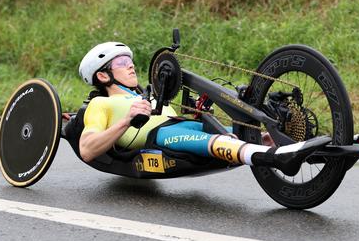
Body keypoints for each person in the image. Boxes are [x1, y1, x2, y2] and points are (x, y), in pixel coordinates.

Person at [77, 42, 327, 176]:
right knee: (219, 141)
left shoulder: (150, 96)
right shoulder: (101, 104)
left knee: (259, 136)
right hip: (159, 137)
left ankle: (329, 151)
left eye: (130, 61)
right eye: (121, 62)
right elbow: (87, 150)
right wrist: (126, 121)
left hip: (183, 128)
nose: (130, 66)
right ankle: (277, 159)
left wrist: (197, 112)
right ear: (102, 76)